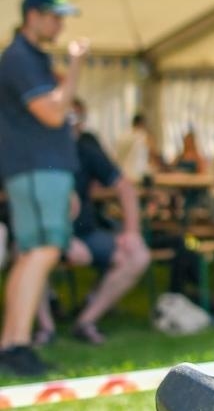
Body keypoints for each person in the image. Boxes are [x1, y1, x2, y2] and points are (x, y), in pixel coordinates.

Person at [0, 0, 88, 376]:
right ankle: (16, 342)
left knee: (32, 253)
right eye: (54, 16)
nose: (60, 24)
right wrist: (75, 66)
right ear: (32, 15)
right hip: (37, 169)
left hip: (40, 170)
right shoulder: (19, 58)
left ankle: (13, 342)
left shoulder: (27, 57)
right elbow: (53, 114)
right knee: (45, 251)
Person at [36, 98, 152, 345]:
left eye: (77, 119)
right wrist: (63, 241)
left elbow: (125, 187)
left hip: (85, 234)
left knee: (137, 254)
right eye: (68, 119)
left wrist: (131, 232)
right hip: (44, 235)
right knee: (29, 255)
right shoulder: (35, 152)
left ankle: (86, 320)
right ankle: (45, 329)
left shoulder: (85, 149)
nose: (73, 126)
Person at [115, 112, 157, 183]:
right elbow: (154, 155)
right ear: (142, 124)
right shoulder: (143, 136)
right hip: (138, 177)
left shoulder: (122, 136)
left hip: (120, 177)